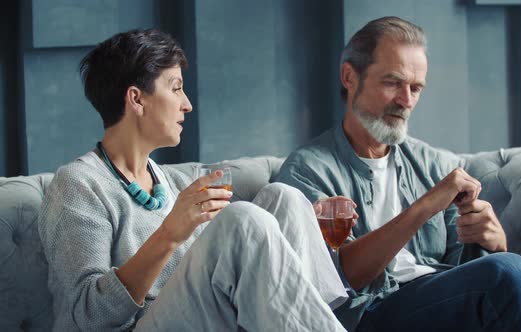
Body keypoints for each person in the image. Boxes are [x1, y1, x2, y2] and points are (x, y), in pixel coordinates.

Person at [277, 16, 521, 331]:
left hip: (442, 300)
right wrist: (424, 207)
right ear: (350, 76)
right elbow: (338, 279)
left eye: (415, 88)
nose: (407, 100)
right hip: (373, 313)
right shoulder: (307, 170)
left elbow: (468, 274)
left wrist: (494, 245)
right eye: (393, 83)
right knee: (510, 272)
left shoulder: (432, 162)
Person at [37, 28, 348, 331]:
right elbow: (89, 316)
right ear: (136, 99)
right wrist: (169, 233)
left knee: (286, 198)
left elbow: (217, 257)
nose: (187, 103)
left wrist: (302, 221)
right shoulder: (78, 184)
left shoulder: (161, 179)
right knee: (243, 218)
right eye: (175, 88)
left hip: (199, 316)